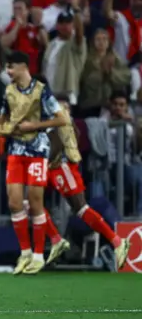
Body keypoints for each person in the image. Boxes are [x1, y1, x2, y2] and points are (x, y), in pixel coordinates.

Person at [0, 51, 68, 275]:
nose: (8, 71)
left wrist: (35, 125)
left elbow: (62, 119)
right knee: (14, 203)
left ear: (23, 66)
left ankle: (39, 256)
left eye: (11, 67)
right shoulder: (9, 91)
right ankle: (25, 253)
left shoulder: (41, 90)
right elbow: (2, 119)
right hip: (15, 150)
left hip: (37, 150)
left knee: (35, 201)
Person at [38, 95, 131, 268]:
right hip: (53, 169)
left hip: (64, 169)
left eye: (64, 107)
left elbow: (54, 149)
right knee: (31, 200)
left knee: (80, 209)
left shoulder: (64, 124)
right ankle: (53, 243)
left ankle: (116, 241)